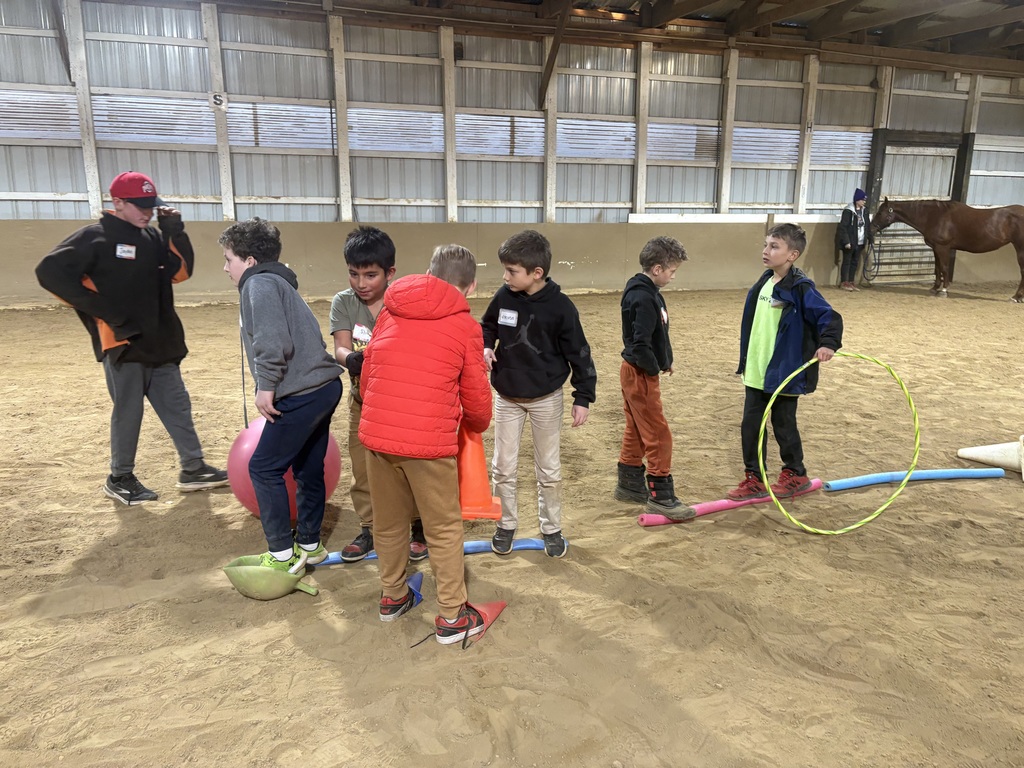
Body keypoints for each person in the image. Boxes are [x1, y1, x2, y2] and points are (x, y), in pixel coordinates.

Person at [35, 171, 228, 505]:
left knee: (177, 405)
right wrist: (102, 311)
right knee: (129, 411)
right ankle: (119, 476)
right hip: (123, 341)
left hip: (160, 339)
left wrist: (173, 231)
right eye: (139, 206)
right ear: (118, 203)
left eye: (150, 206)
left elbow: (180, 273)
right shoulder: (95, 237)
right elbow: (48, 272)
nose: (147, 212)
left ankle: (193, 468)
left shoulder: (152, 237)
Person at [359, 245, 492, 646]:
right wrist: (474, 423)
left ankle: (393, 596)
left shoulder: (389, 308)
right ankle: (452, 616)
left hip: (378, 437)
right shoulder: (465, 324)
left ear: (429, 272)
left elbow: (367, 379)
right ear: (470, 287)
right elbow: (477, 399)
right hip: (428, 444)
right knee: (444, 527)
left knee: (388, 522)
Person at [221, 218, 343, 571]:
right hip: (324, 388)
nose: (226, 266)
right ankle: (309, 544)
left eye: (229, 258)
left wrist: (266, 387)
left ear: (250, 261)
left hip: (301, 392)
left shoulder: (257, 285)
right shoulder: (278, 283)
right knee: (307, 468)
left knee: (263, 468)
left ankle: (281, 556)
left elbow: (273, 342)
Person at [480, 230, 596, 558]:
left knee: (549, 468)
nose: (504, 277)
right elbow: (487, 325)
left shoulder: (561, 308)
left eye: (511, 271)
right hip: (507, 398)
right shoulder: (504, 297)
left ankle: (551, 527)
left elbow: (580, 353)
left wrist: (583, 396)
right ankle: (505, 523)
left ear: (536, 273)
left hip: (546, 399)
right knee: (502, 466)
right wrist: (487, 346)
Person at [329, 226, 427, 563]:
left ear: (390, 273)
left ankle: (418, 528)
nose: (361, 282)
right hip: (362, 403)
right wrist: (351, 359)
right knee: (362, 467)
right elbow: (340, 347)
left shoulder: (406, 303)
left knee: (408, 467)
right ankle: (370, 527)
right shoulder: (343, 303)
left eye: (370, 274)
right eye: (354, 274)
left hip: (403, 406)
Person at [727, 223, 843, 502]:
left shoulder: (801, 289)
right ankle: (754, 478)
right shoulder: (765, 281)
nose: (766, 251)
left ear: (792, 255)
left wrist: (827, 343)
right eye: (766, 245)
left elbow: (829, 317)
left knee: (783, 425)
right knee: (751, 426)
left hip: (784, 373)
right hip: (756, 370)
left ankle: (795, 473)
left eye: (774, 246)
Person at [614, 236, 689, 519]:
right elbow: (640, 341)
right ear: (657, 268)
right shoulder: (643, 297)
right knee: (658, 433)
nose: (673, 276)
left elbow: (657, 335)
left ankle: (630, 483)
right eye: (672, 271)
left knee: (636, 427)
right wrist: (651, 368)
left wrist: (665, 359)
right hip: (639, 373)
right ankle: (660, 493)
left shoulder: (649, 292)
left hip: (636, 370)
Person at [836, 188, 873, 291]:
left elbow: (867, 226)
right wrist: (846, 241)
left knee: (854, 262)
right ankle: (844, 282)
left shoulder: (865, 211)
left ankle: (851, 281)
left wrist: (870, 237)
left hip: (860, 241)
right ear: (857, 200)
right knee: (847, 261)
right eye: (862, 200)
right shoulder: (848, 211)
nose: (864, 202)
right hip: (850, 241)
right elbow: (843, 227)